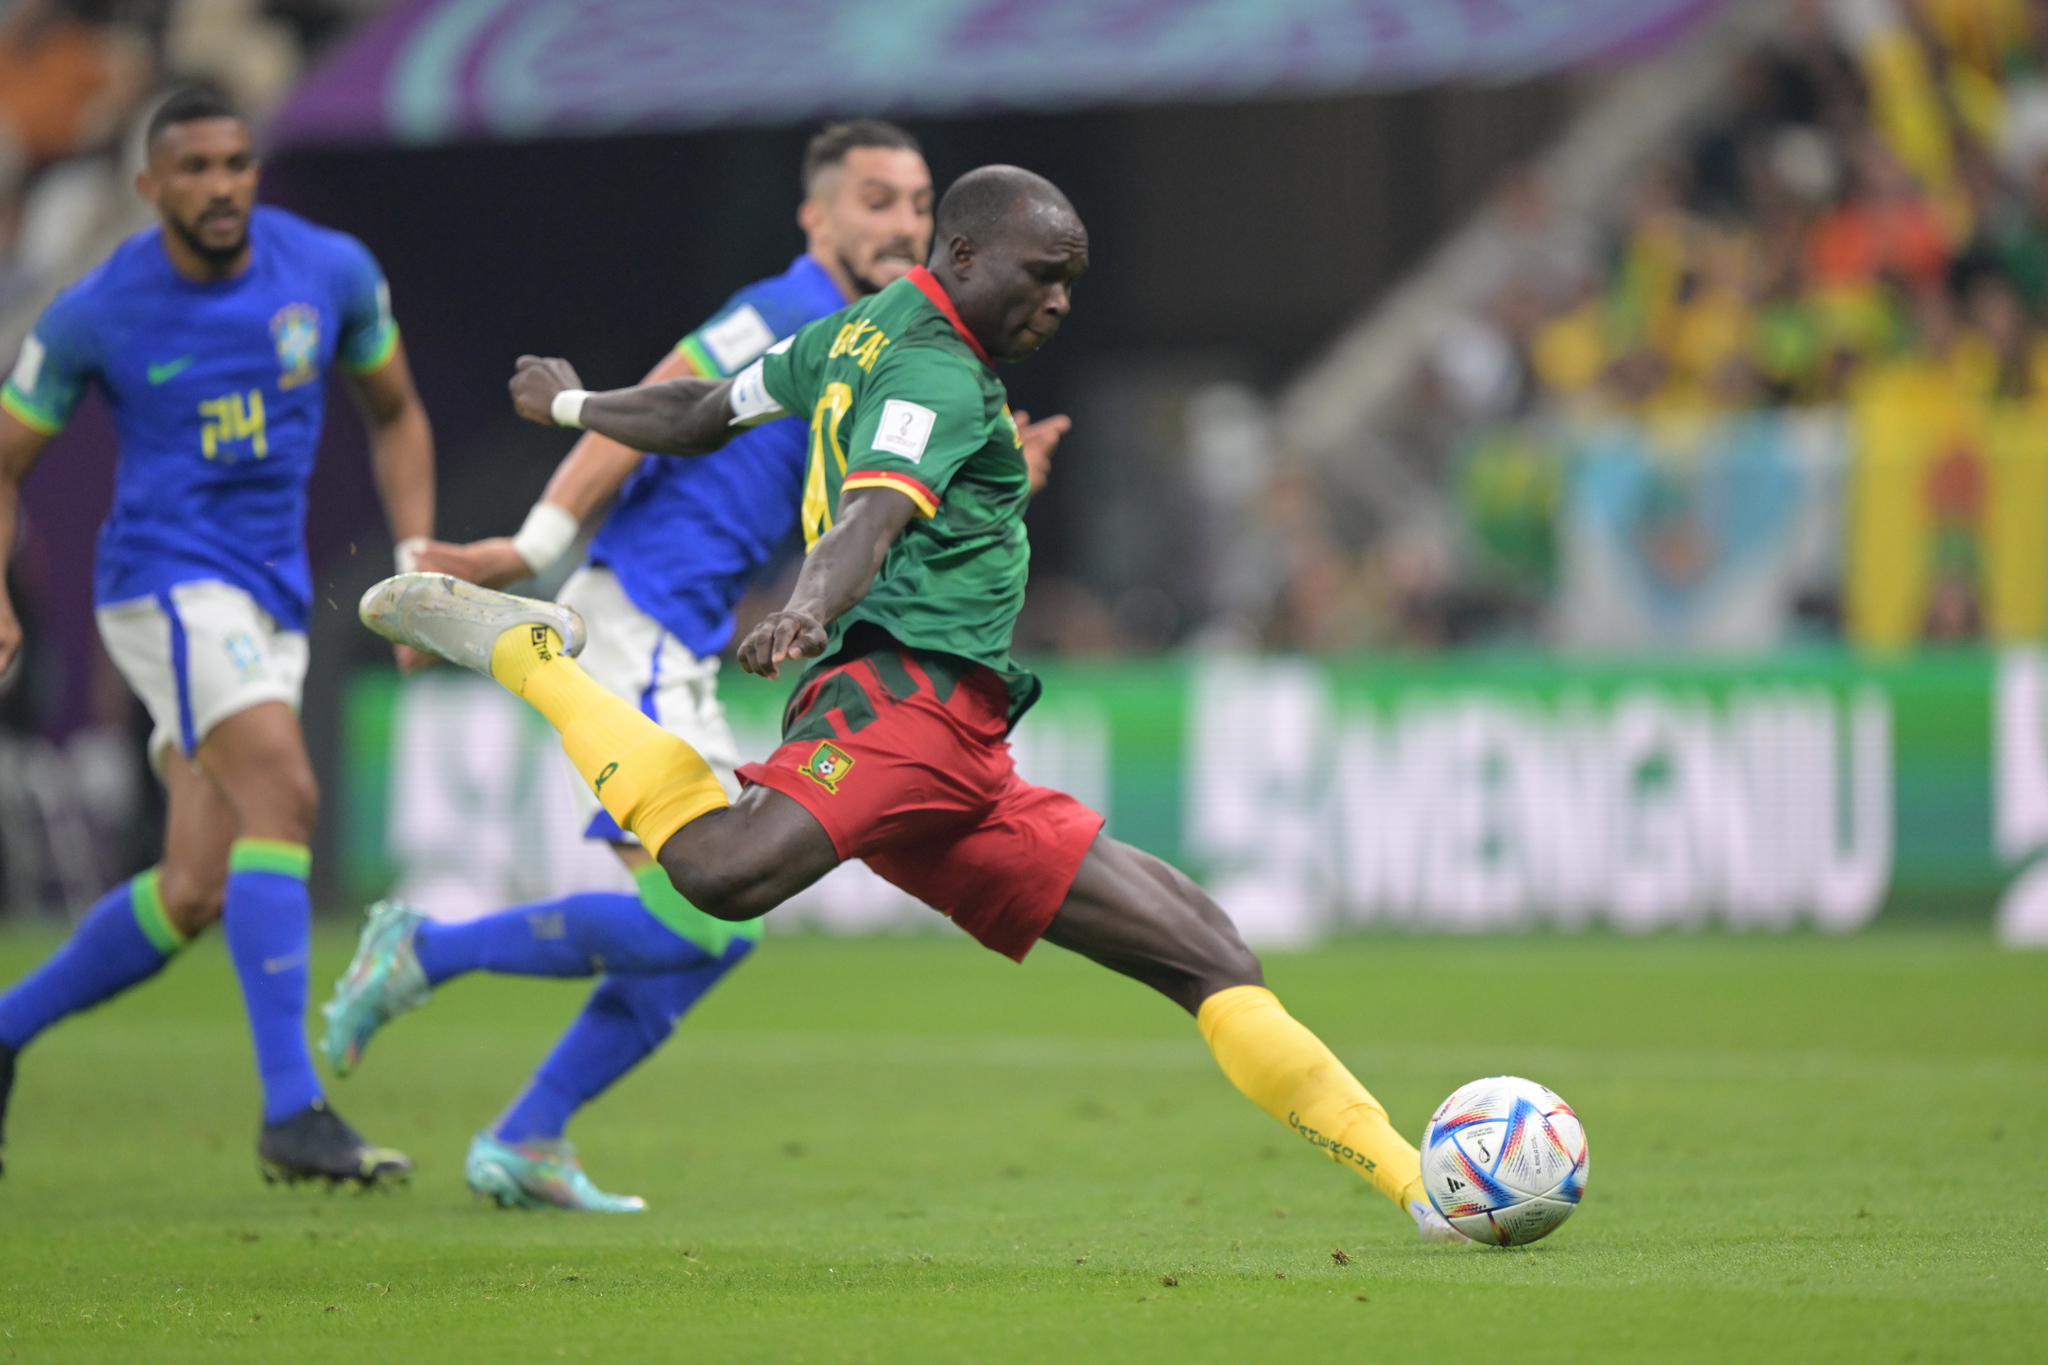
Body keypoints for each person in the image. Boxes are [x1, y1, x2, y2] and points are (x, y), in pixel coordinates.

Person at [345, 165, 1465, 1242]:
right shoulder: (932, 373)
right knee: (722, 875)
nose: (1059, 300)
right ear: (966, 255)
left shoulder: (861, 331)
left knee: (1205, 952)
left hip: (966, 753)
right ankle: (538, 660)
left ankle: (1421, 1187)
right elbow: (870, 517)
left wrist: (573, 402)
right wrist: (811, 608)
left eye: (1069, 278)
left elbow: (699, 414)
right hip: (898, 706)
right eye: (1042, 274)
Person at [322, 121, 1062, 1213]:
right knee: (707, 912)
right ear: (815, 217)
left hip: (684, 631)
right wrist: (532, 545)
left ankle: (526, 1131)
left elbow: (886, 501)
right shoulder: (784, 308)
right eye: (873, 201)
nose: (899, 223)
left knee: (709, 934)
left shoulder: (896, 336)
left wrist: (1000, 484)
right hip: (638, 618)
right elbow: (657, 407)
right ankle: (428, 951)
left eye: (914, 203)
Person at [0, 87, 432, 1185]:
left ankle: (3, 1031)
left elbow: (395, 411)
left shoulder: (328, 271)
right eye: (194, 168)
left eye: (237, 163)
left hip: (270, 596)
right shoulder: (96, 310)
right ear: (150, 189)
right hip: (165, 584)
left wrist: (419, 557)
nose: (222, 186)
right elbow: (5, 461)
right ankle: (292, 1112)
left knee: (192, 886)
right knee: (283, 792)